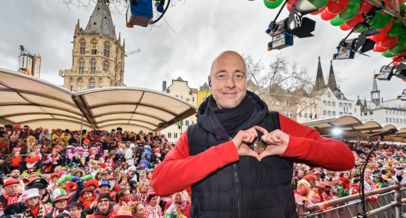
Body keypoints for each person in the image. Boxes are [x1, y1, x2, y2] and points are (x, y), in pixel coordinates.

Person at [152, 50, 355, 217]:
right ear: (210, 81)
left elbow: (345, 159)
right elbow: (160, 183)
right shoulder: (193, 134)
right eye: (221, 75)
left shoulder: (276, 123)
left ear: (245, 81)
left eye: (238, 75)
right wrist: (227, 151)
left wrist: (292, 146)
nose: (230, 83)